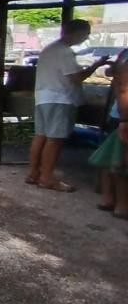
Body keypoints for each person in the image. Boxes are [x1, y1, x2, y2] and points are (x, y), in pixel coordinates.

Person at [26, 19, 110, 192]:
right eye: (86, 34)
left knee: (40, 136)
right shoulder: (64, 52)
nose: (85, 38)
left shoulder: (49, 49)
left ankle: (33, 172)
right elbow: (77, 78)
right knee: (54, 140)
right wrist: (96, 65)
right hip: (60, 99)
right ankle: (47, 178)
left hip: (44, 97)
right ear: (77, 33)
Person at [92, 48, 128, 219]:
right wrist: (124, 120)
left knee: (113, 158)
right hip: (123, 116)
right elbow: (124, 88)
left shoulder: (124, 54)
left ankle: (109, 198)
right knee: (118, 160)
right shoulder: (125, 56)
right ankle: (120, 203)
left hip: (120, 115)